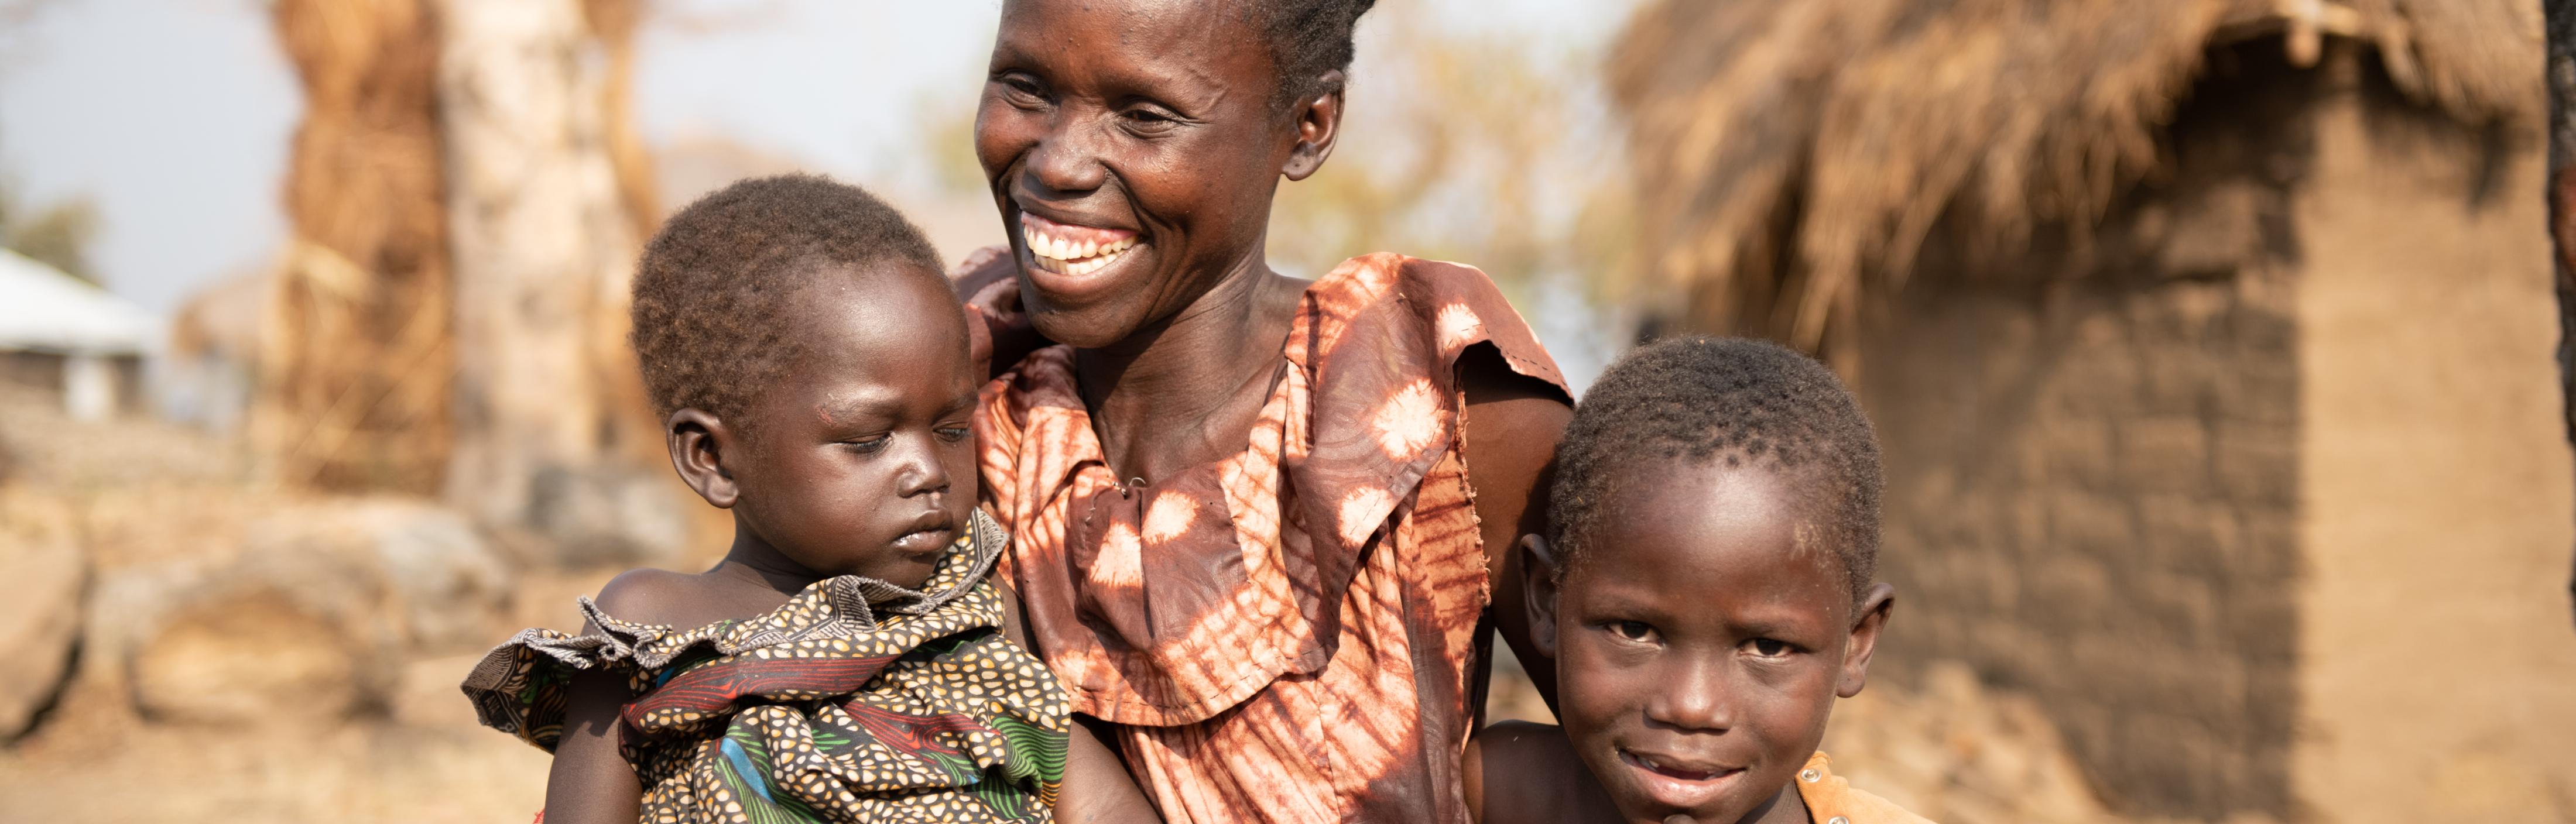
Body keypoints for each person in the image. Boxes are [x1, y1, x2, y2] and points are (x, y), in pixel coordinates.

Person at [956, 0, 1575, 821]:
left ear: (1309, 127)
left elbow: (1690, 743)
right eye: (1026, 89)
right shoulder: (957, 403)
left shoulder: (1421, 391)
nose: (1059, 163)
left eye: (1145, 117)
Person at [462, 175, 1070, 824]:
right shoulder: (652, 631)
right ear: (712, 459)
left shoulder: (971, 606)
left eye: (952, 429)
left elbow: (1088, 799)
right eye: (867, 440)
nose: (929, 470)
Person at [1463, 337, 1929, 824]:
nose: (1691, 707)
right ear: (1547, 600)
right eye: (1634, 630)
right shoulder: (1491, 796)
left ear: (1856, 645)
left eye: (1768, 647)